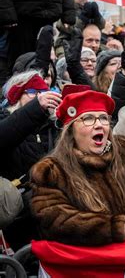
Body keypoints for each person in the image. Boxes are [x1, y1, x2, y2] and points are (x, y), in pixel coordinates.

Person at [30, 89, 125, 246]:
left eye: (103, 118)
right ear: (71, 130)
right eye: (88, 118)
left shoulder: (123, 151)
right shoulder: (50, 171)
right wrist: (119, 229)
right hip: (91, 265)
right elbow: (55, 221)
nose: (99, 125)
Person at [0, 70, 61, 248]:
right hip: (14, 213)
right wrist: (35, 108)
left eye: (44, 91)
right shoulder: (5, 118)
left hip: (48, 212)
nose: (41, 96)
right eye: (34, 92)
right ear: (17, 94)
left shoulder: (53, 126)